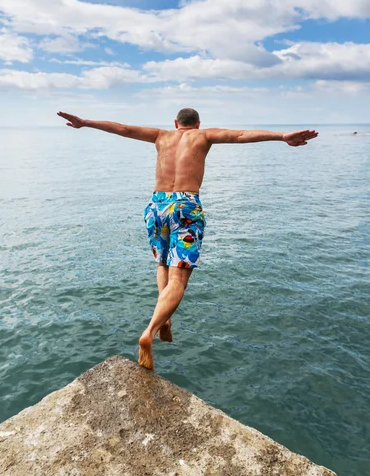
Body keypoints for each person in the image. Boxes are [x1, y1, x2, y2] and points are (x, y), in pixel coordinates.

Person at [57, 109, 318, 371]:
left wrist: (86, 122)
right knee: (179, 276)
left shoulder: (160, 135)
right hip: (186, 206)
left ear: (176, 123)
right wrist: (282, 136)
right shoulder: (203, 136)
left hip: (156, 205)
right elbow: (240, 135)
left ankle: (165, 320)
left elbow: (122, 128)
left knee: (162, 265)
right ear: (197, 124)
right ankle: (149, 331)